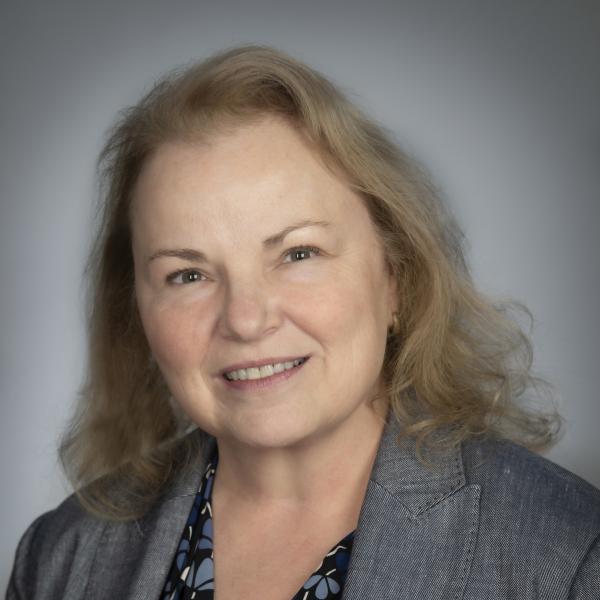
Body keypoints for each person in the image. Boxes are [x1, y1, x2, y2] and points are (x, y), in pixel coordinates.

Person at [6, 45, 600, 600]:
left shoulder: (567, 556)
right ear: (136, 309)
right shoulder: (60, 556)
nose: (245, 319)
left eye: (298, 254)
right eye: (188, 275)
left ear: (395, 277)